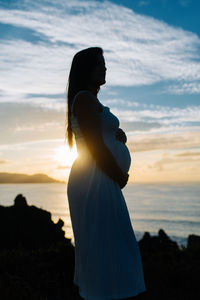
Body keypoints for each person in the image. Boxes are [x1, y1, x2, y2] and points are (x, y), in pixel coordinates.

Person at [66, 47, 146, 300]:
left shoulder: (92, 99)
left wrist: (117, 136)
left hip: (100, 178)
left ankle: (111, 293)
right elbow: (94, 147)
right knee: (107, 244)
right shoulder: (84, 99)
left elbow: (100, 136)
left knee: (113, 244)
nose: (105, 68)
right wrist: (119, 175)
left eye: (104, 63)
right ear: (86, 68)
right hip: (95, 178)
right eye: (100, 64)